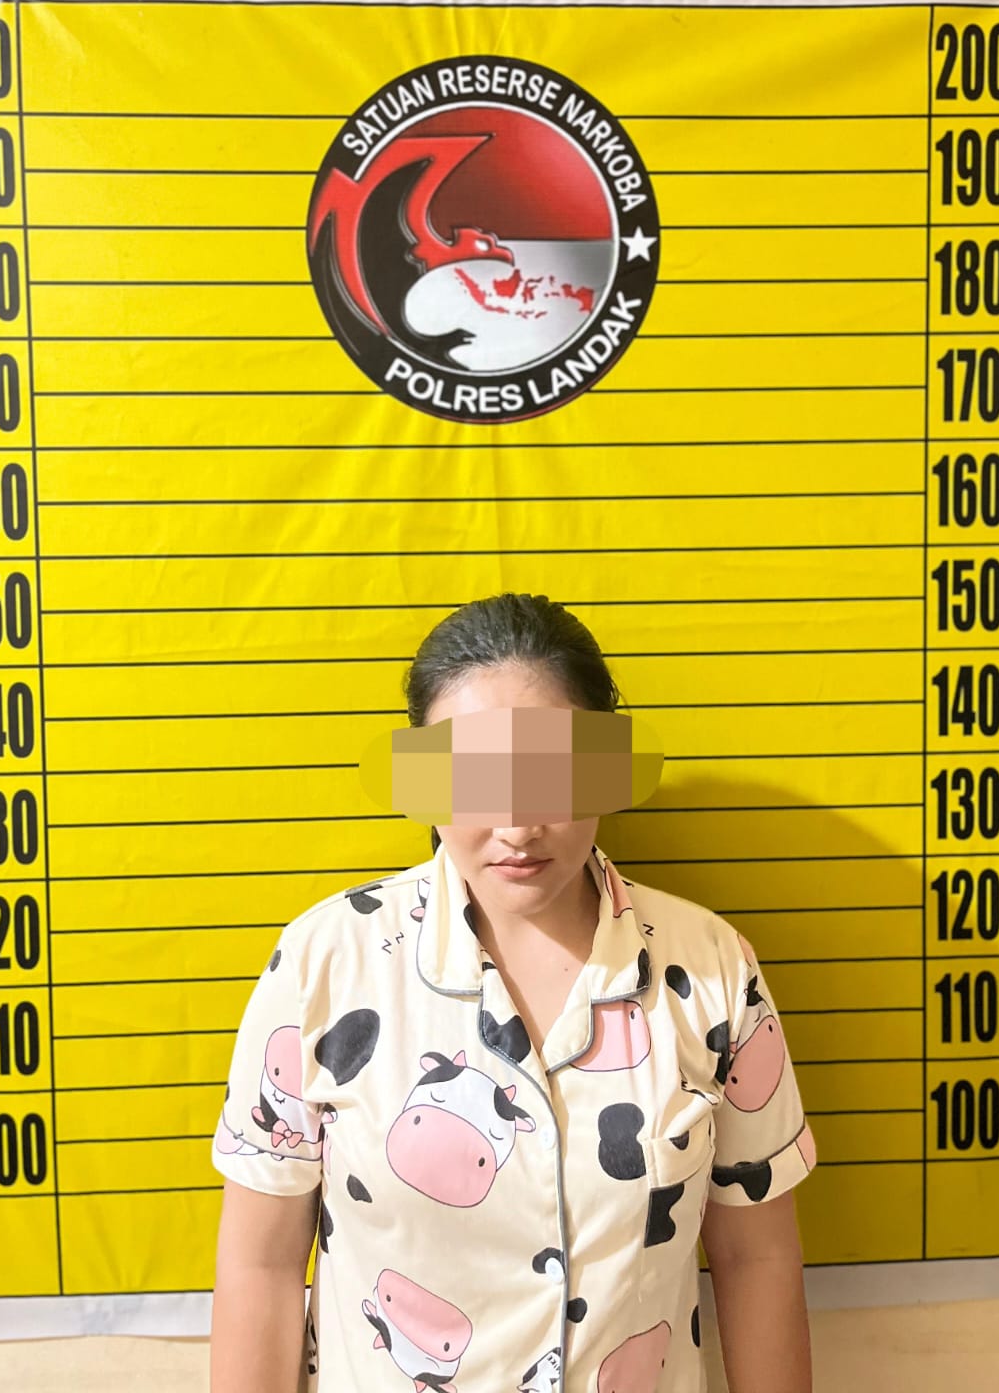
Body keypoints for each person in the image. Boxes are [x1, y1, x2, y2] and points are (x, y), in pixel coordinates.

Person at [210, 593, 815, 1393]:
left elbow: (755, 1257)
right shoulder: (323, 966)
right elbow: (260, 1263)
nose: (518, 824)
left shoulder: (711, 971)